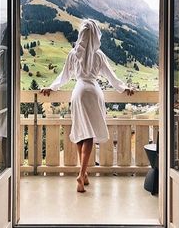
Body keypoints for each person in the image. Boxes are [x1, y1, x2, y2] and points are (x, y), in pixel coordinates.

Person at [40, 19, 134, 193]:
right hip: (93, 92)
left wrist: (51, 87)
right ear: (95, 35)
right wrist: (124, 88)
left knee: (80, 132)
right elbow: (111, 77)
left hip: (78, 92)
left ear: (81, 34)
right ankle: (82, 174)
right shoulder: (99, 55)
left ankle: (83, 175)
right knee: (88, 135)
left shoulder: (73, 54)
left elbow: (64, 76)